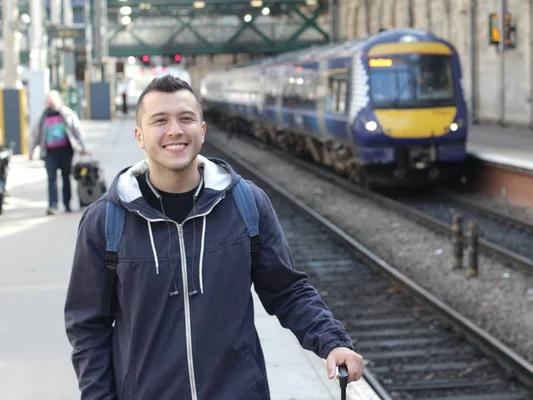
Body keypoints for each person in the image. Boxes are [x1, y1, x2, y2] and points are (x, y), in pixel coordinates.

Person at [64, 75, 365, 399]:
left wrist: (331, 341)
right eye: (160, 121)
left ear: (202, 130)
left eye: (186, 118)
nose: (175, 130)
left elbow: (287, 290)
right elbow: (88, 328)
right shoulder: (106, 221)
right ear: (139, 135)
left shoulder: (245, 204)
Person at [29, 90, 87, 215]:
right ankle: (52, 205)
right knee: (51, 179)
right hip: (50, 153)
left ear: (58, 101)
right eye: (48, 100)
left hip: (66, 151)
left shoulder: (66, 113)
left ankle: (67, 204)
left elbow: (77, 130)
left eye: (52, 100)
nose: (50, 103)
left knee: (66, 177)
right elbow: (35, 135)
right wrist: (31, 151)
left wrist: (83, 147)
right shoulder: (43, 116)